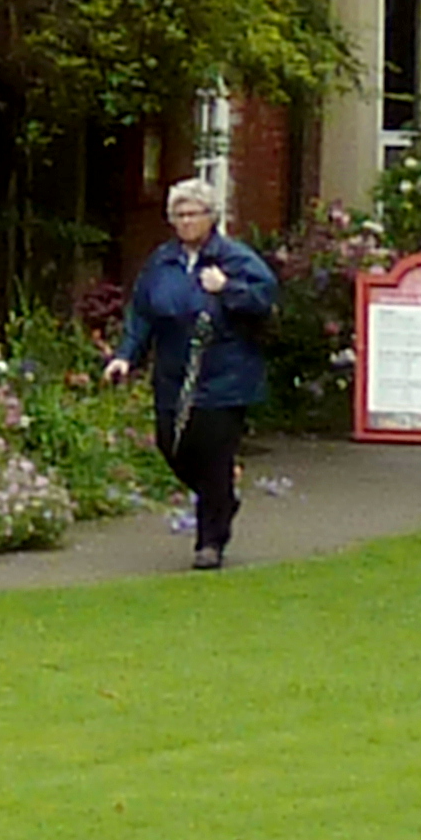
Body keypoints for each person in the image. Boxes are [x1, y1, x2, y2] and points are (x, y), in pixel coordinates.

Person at [105, 177, 277, 570]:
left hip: (225, 376)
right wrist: (125, 356)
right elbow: (142, 314)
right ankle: (221, 498)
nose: (184, 222)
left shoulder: (235, 259)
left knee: (215, 456)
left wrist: (227, 288)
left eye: (192, 214)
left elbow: (264, 299)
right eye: (178, 215)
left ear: (210, 217)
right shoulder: (161, 262)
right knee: (172, 445)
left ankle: (209, 542)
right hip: (173, 374)